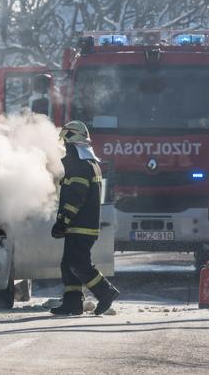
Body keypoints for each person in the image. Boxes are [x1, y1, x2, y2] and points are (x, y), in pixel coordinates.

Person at [50, 120, 120, 315]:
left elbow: (76, 198)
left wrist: (63, 222)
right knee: (68, 264)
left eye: (65, 143)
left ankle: (105, 292)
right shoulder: (90, 163)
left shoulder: (80, 165)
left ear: (72, 143)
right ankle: (72, 303)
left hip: (80, 226)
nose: (64, 147)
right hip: (81, 226)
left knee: (78, 264)